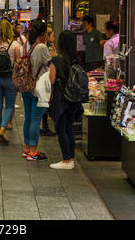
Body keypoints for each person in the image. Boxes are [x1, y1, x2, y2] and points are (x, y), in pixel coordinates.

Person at [48, 30, 84, 170]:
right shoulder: (76, 60)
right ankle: (71, 158)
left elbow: (51, 80)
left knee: (61, 128)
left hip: (61, 98)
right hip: (73, 100)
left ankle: (66, 160)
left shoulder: (57, 60)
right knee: (69, 128)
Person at [22, 21, 51, 161]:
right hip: (38, 87)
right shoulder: (41, 47)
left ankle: (27, 148)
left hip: (25, 85)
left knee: (28, 117)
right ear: (44, 34)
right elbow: (50, 65)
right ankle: (33, 151)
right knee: (36, 119)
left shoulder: (25, 45)